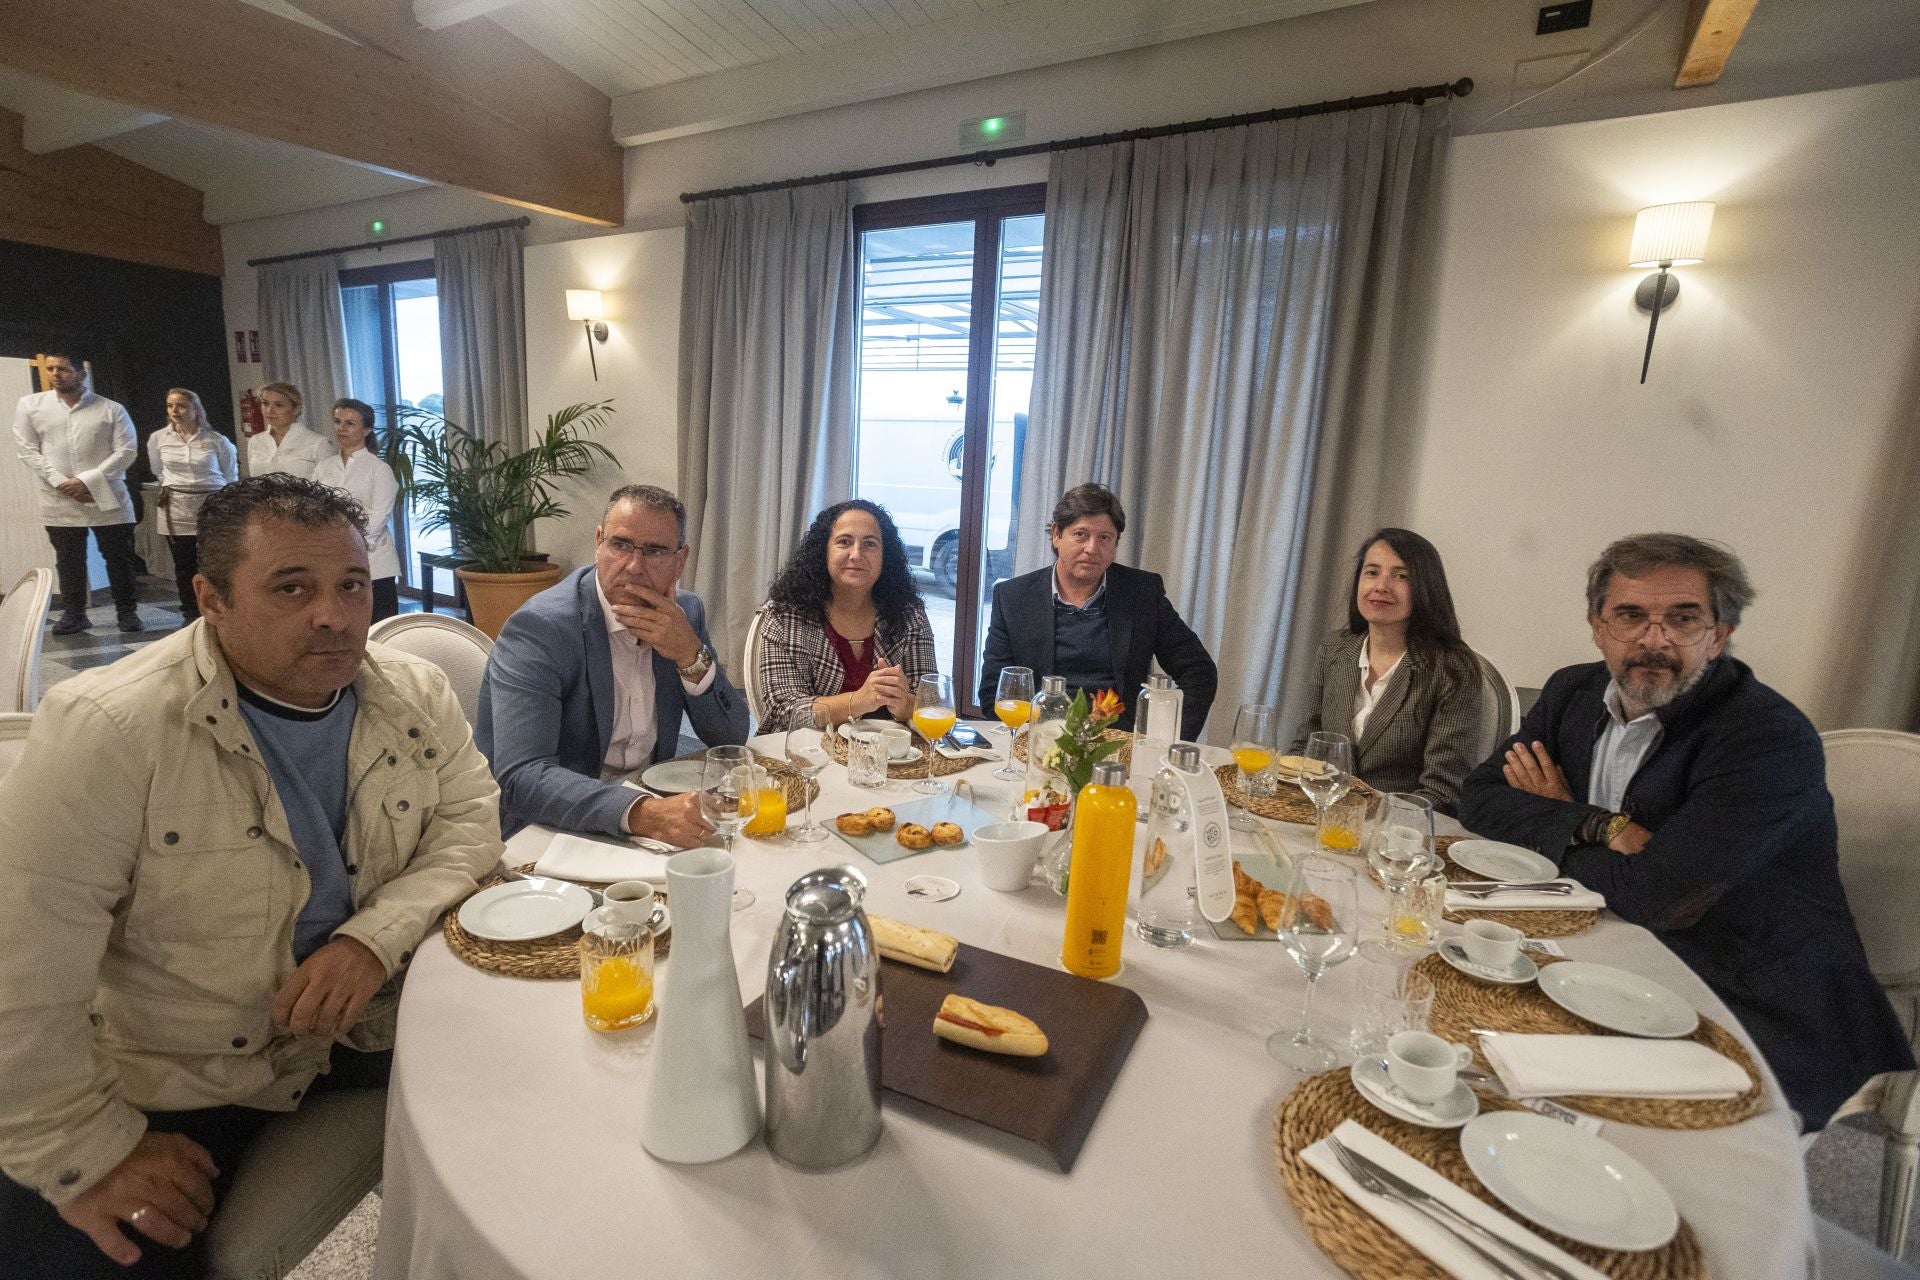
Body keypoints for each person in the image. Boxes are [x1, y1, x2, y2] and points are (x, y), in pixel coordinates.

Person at [0, 474, 503, 1278]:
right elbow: (20, 969)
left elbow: (470, 822)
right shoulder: (109, 730)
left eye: (348, 585)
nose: (335, 616)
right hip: (186, 1069)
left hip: (369, 1021)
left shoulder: (412, 692)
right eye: (291, 588)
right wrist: (85, 1153)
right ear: (212, 598)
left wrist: (372, 940)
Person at [1457, 533, 1913, 1128]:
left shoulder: (1766, 737)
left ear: (1719, 634)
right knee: (1464, 1021)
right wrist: (1596, 823)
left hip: (1751, 982)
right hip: (1601, 940)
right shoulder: (1572, 690)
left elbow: (1659, 897)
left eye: (1683, 619)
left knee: (1594, 1114)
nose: (1654, 639)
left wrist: (1553, 825)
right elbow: (1480, 798)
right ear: (1598, 625)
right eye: (1631, 616)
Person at [477, 484, 750, 840]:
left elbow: (730, 737)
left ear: (680, 560)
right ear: (598, 543)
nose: (634, 566)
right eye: (620, 545)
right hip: (553, 827)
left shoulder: (685, 614)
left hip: (647, 804)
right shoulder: (541, 628)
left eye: (654, 551)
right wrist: (642, 813)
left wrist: (689, 654)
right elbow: (523, 777)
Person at [978, 483, 1216, 738]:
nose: (1092, 549)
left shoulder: (1142, 593)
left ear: (1115, 544)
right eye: (1080, 534)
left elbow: (1199, 672)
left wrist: (1168, 738)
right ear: (1057, 534)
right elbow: (995, 691)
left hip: (1120, 744)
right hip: (1041, 739)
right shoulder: (1014, 597)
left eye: (1104, 538)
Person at [1289, 529, 1485, 814]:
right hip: (1319, 813)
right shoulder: (1334, 649)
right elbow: (1305, 746)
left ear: (1426, 587)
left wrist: (1366, 818)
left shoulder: (1452, 669)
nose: (1381, 586)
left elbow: (1443, 791)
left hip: (1398, 835)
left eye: (1401, 576)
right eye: (1371, 572)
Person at [754, 499, 938, 733]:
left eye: (870, 544)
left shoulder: (910, 615)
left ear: (886, 556)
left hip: (893, 758)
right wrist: (858, 701)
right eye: (844, 542)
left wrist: (904, 705)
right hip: (807, 755)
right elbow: (784, 711)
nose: (856, 554)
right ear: (824, 551)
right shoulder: (784, 616)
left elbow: (931, 702)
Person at [11, 350, 144, 634]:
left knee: (118, 557)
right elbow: (26, 448)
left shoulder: (110, 408)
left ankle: (127, 612)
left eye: (63, 369)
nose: (55, 375)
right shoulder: (31, 405)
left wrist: (88, 481)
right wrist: (61, 481)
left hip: (106, 495)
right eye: (51, 369)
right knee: (69, 558)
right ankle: (74, 613)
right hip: (58, 496)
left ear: (81, 373)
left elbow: (127, 450)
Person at [145, 388, 238, 624]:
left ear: (196, 409)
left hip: (210, 505)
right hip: (176, 507)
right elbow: (158, 471)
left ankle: (219, 607)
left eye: (181, 406)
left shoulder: (216, 440)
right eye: (170, 406)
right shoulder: (158, 438)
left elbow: (229, 475)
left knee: (213, 561)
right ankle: (189, 611)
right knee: (183, 562)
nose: (175, 411)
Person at [313, 398, 400, 621]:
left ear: (367, 429)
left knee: (378, 626)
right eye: (338, 421)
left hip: (374, 562)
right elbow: (315, 508)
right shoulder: (323, 468)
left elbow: (380, 514)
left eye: (350, 423)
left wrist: (350, 543)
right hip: (332, 557)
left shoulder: (379, 469)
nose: (342, 427)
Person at [245, 382, 329, 480]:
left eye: (279, 405)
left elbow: (329, 488)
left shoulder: (319, 444)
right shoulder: (255, 441)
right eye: (265, 403)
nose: (269, 410)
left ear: (296, 409)